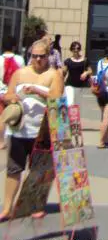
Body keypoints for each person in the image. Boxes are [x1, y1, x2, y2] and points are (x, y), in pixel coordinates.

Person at [1, 40, 64, 221]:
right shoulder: (20, 73)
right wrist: (14, 98)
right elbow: (8, 95)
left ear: (48, 56)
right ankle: (7, 208)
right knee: (13, 169)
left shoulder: (54, 75)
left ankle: (36, 205)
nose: (37, 59)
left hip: (43, 130)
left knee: (39, 171)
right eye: (34, 56)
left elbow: (57, 97)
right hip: (19, 129)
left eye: (42, 56)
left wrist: (36, 90)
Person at [63, 42, 92, 106]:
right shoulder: (68, 61)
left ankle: (74, 116)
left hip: (81, 86)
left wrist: (86, 73)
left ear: (80, 49)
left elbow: (90, 71)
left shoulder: (85, 60)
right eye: (74, 48)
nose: (76, 50)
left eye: (78, 48)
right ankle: (69, 115)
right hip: (69, 85)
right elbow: (64, 73)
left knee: (77, 105)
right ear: (71, 49)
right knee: (70, 103)